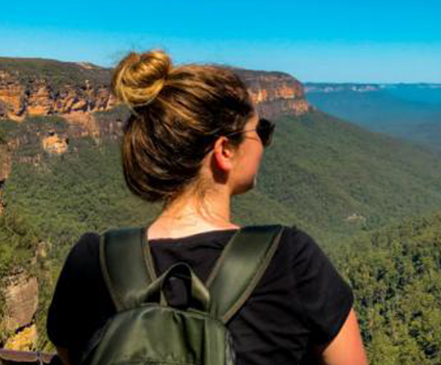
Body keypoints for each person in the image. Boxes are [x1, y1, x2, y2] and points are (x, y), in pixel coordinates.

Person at [46, 49, 369, 365]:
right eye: (261, 131)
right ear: (225, 151)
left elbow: (71, 355)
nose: (265, 142)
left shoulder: (91, 260)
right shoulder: (290, 258)